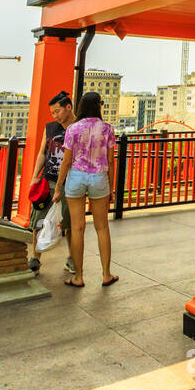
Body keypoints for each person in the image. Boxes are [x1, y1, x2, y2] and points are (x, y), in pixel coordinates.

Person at [55, 90, 119, 287]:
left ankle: (78, 277)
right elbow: (110, 160)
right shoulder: (107, 128)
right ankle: (106, 274)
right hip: (99, 178)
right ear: (99, 106)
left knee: (77, 228)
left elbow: (66, 161)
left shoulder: (73, 129)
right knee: (102, 227)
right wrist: (112, 188)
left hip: (76, 177)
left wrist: (58, 187)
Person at [28, 91, 78, 276]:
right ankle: (35, 258)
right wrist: (35, 176)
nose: (55, 115)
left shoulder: (79, 128)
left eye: (57, 111)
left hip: (69, 183)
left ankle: (72, 259)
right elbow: (42, 153)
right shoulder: (50, 128)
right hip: (47, 180)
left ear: (68, 107)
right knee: (38, 219)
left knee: (69, 224)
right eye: (52, 113)